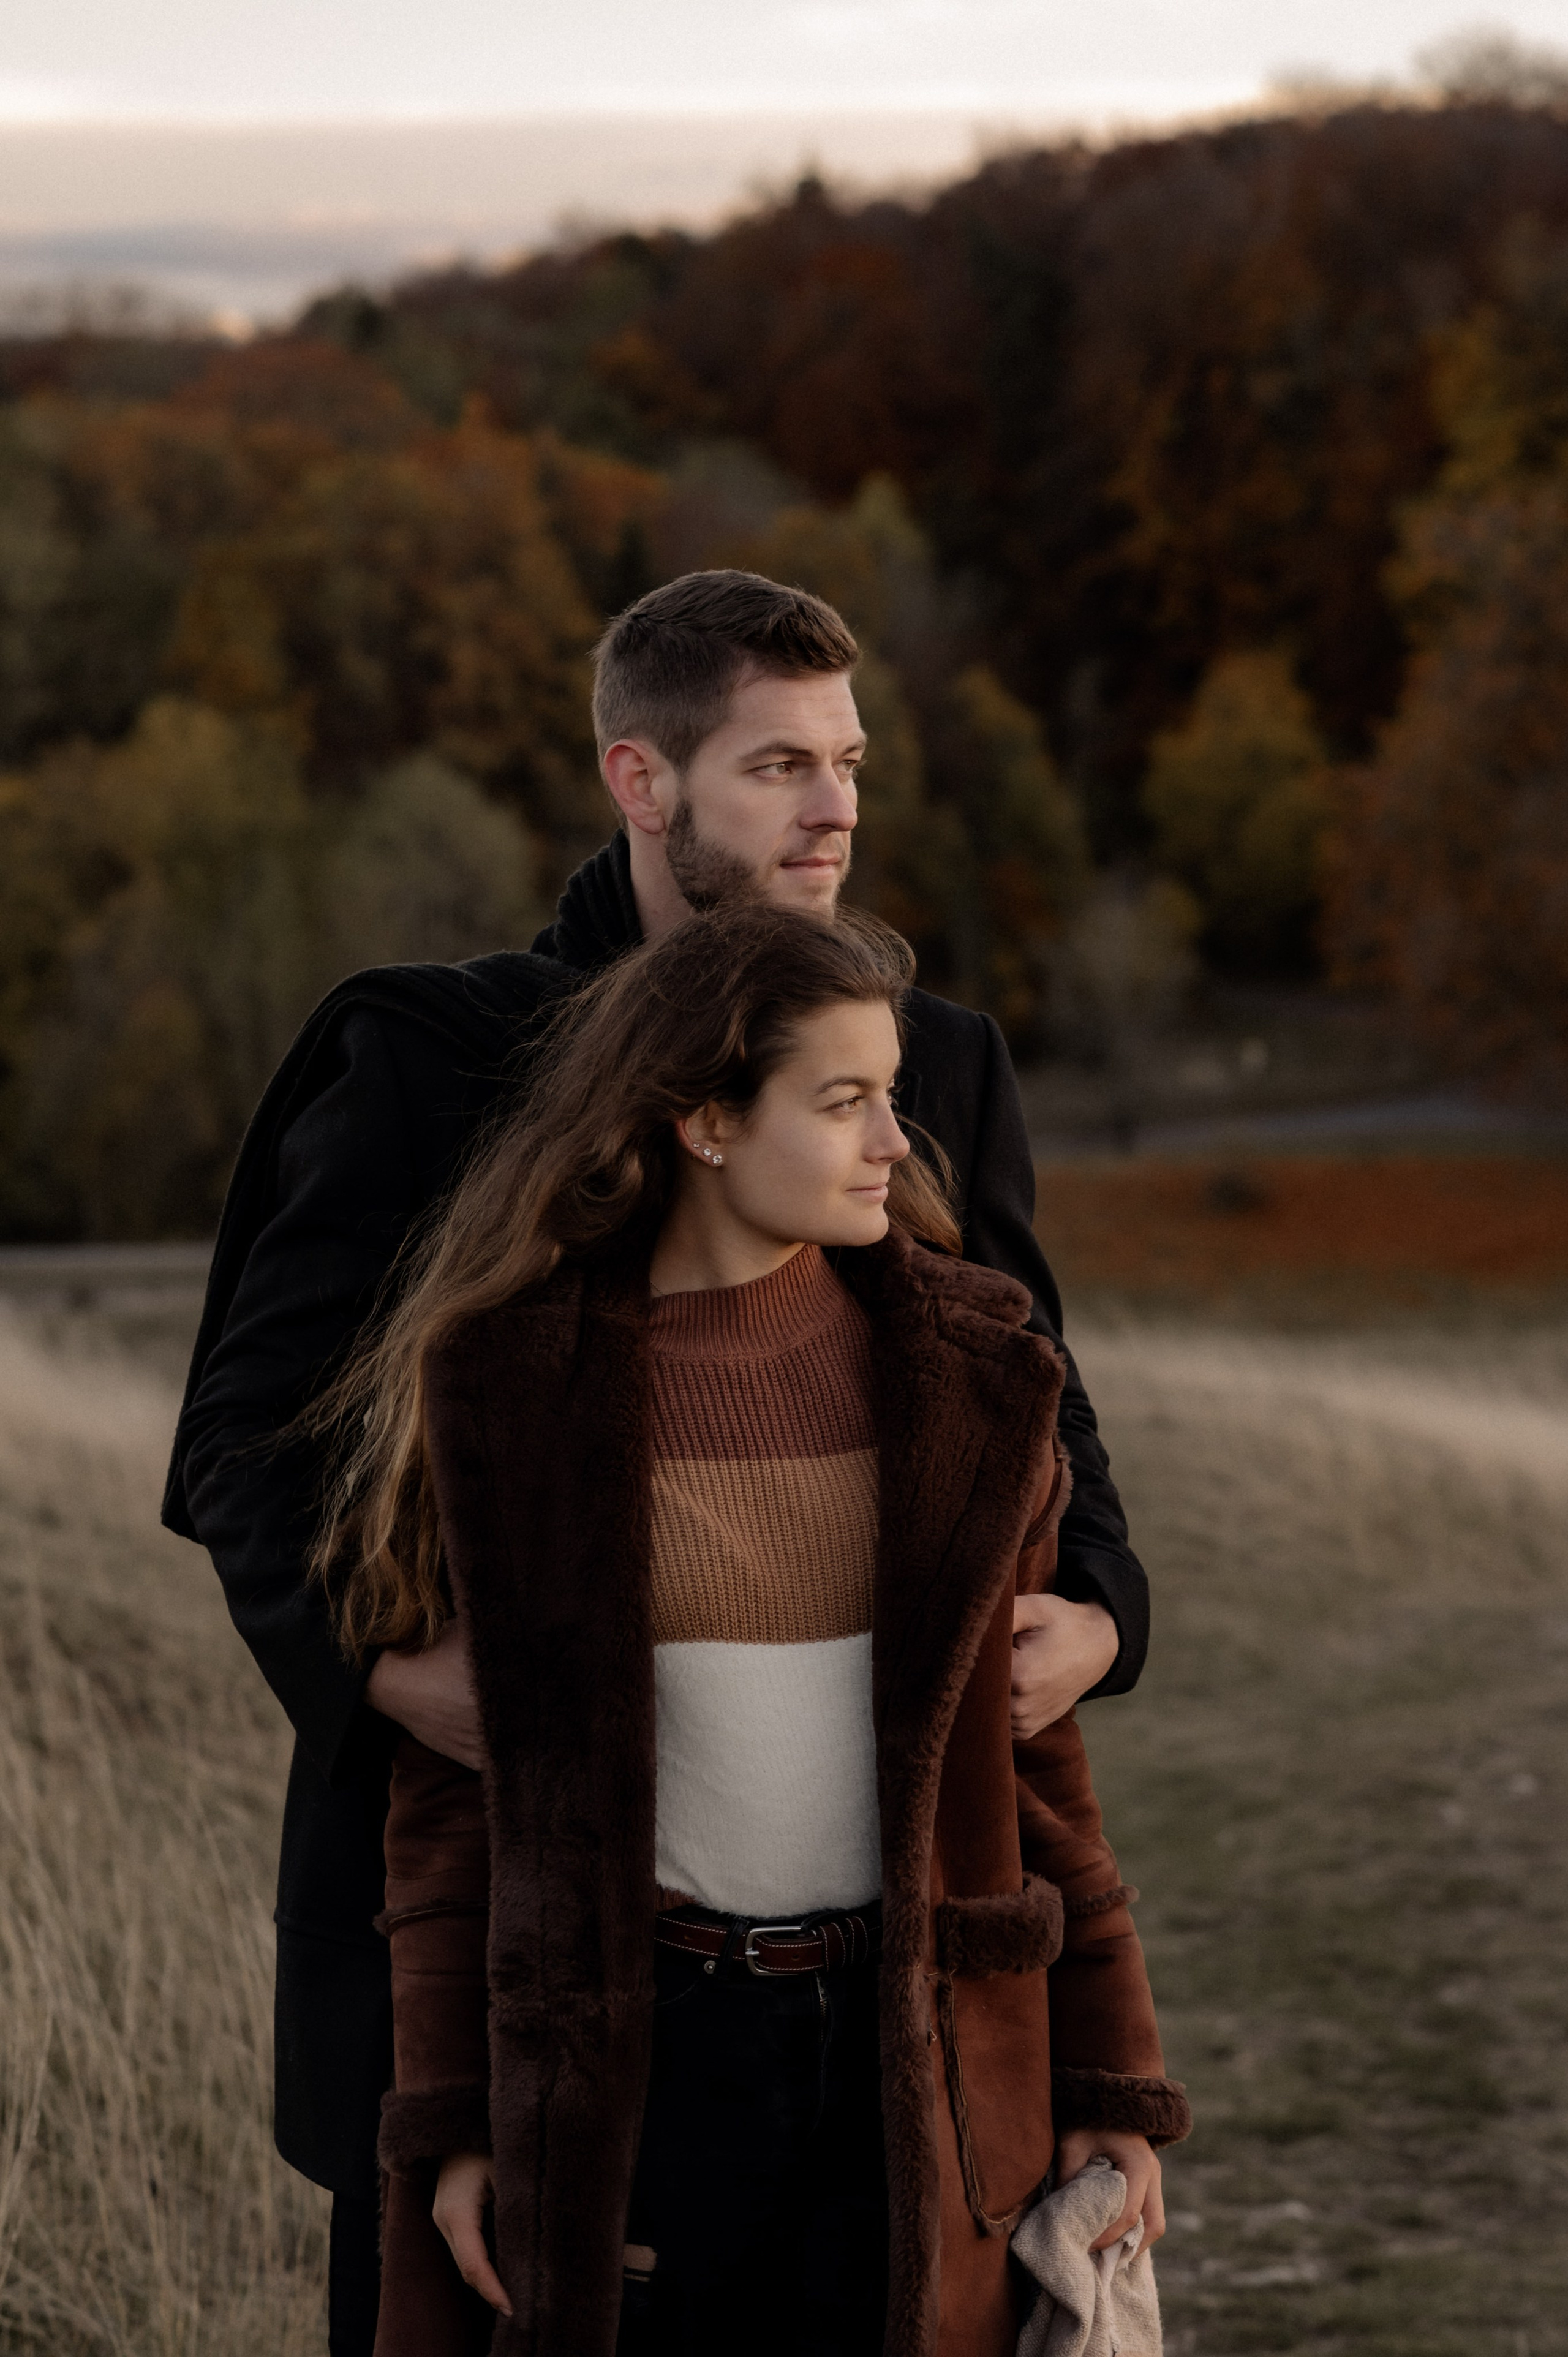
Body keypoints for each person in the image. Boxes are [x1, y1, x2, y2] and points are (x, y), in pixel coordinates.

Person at [162, 569, 1152, 2352]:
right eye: (778, 765)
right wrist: (402, 1674)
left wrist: (1100, 1611)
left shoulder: (921, 1061)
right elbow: (244, 1444)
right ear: (643, 782)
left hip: (875, 1951)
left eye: (848, 762)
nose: (835, 805)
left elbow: (1034, 1408)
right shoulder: (427, 1056)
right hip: (493, 1927)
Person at [312, 903, 1187, 2356]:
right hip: (642, 2064)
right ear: (704, 1120)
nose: (893, 1142)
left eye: (890, 1096)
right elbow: (458, 1805)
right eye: (841, 1101)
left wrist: (1108, 2080)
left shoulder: (975, 1377)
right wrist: (458, 2121)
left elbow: (1038, 1775)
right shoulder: (509, 1394)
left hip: (923, 2057)